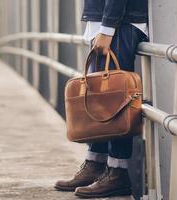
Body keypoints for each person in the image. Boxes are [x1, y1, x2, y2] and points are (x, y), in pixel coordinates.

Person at [55, 0, 148, 198]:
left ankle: (118, 172)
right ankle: (95, 162)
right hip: (107, 22)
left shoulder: (112, 27)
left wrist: (107, 29)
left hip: (119, 23)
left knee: (115, 100)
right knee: (99, 99)